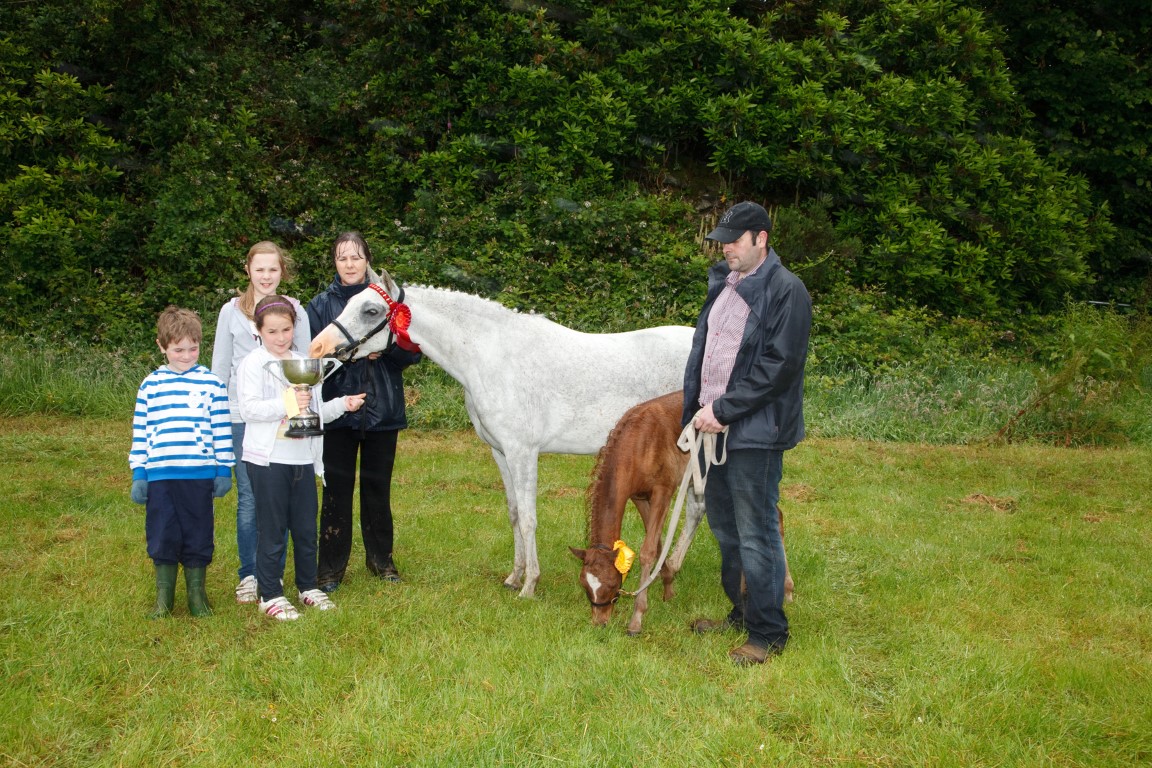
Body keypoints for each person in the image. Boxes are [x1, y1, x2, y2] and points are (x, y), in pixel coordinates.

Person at [682, 201, 811, 665]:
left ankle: (768, 633)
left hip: (756, 431)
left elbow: (779, 367)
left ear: (761, 238)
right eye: (722, 241)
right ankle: (742, 614)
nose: (725, 248)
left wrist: (724, 409)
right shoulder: (727, 284)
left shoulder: (787, 290)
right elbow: (708, 353)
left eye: (734, 240)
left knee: (757, 531)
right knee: (726, 527)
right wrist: (699, 410)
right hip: (716, 428)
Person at [237, 295, 365, 620]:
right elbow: (249, 409)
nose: (280, 337)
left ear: (294, 327)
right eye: (272, 332)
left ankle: (308, 587)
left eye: (286, 330)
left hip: (303, 461)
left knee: (306, 529)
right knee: (273, 530)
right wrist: (288, 401)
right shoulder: (253, 363)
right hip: (268, 461)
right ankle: (270, 594)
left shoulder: (304, 363)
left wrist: (343, 405)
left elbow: (314, 412)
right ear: (258, 331)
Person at [306, 231, 421, 592]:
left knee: (377, 489)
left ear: (367, 260)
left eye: (356, 257)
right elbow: (313, 356)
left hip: (382, 408)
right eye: (342, 257)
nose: (350, 264)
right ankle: (330, 569)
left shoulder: (389, 302)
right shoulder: (320, 306)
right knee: (336, 491)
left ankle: (381, 561)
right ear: (334, 262)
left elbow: (411, 354)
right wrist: (349, 353)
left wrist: (385, 350)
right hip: (337, 410)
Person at [210, 241, 310, 605]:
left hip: (287, 416)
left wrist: (305, 409)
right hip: (243, 415)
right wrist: (217, 417)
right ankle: (249, 575)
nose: (266, 276)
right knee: (251, 498)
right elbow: (221, 367)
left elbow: (305, 365)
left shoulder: (295, 310)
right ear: (248, 270)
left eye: (273, 269)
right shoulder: (230, 312)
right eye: (259, 269)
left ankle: (276, 574)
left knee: (282, 498)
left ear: (282, 271)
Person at [130, 306, 235, 618]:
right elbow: (141, 432)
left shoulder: (212, 384)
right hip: (160, 475)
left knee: (198, 533)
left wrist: (223, 469)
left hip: (199, 475)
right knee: (162, 532)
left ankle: (197, 596)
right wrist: (139, 473)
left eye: (193, 348)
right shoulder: (150, 385)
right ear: (162, 347)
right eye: (178, 350)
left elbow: (221, 429)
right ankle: (163, 598)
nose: (187, 356)